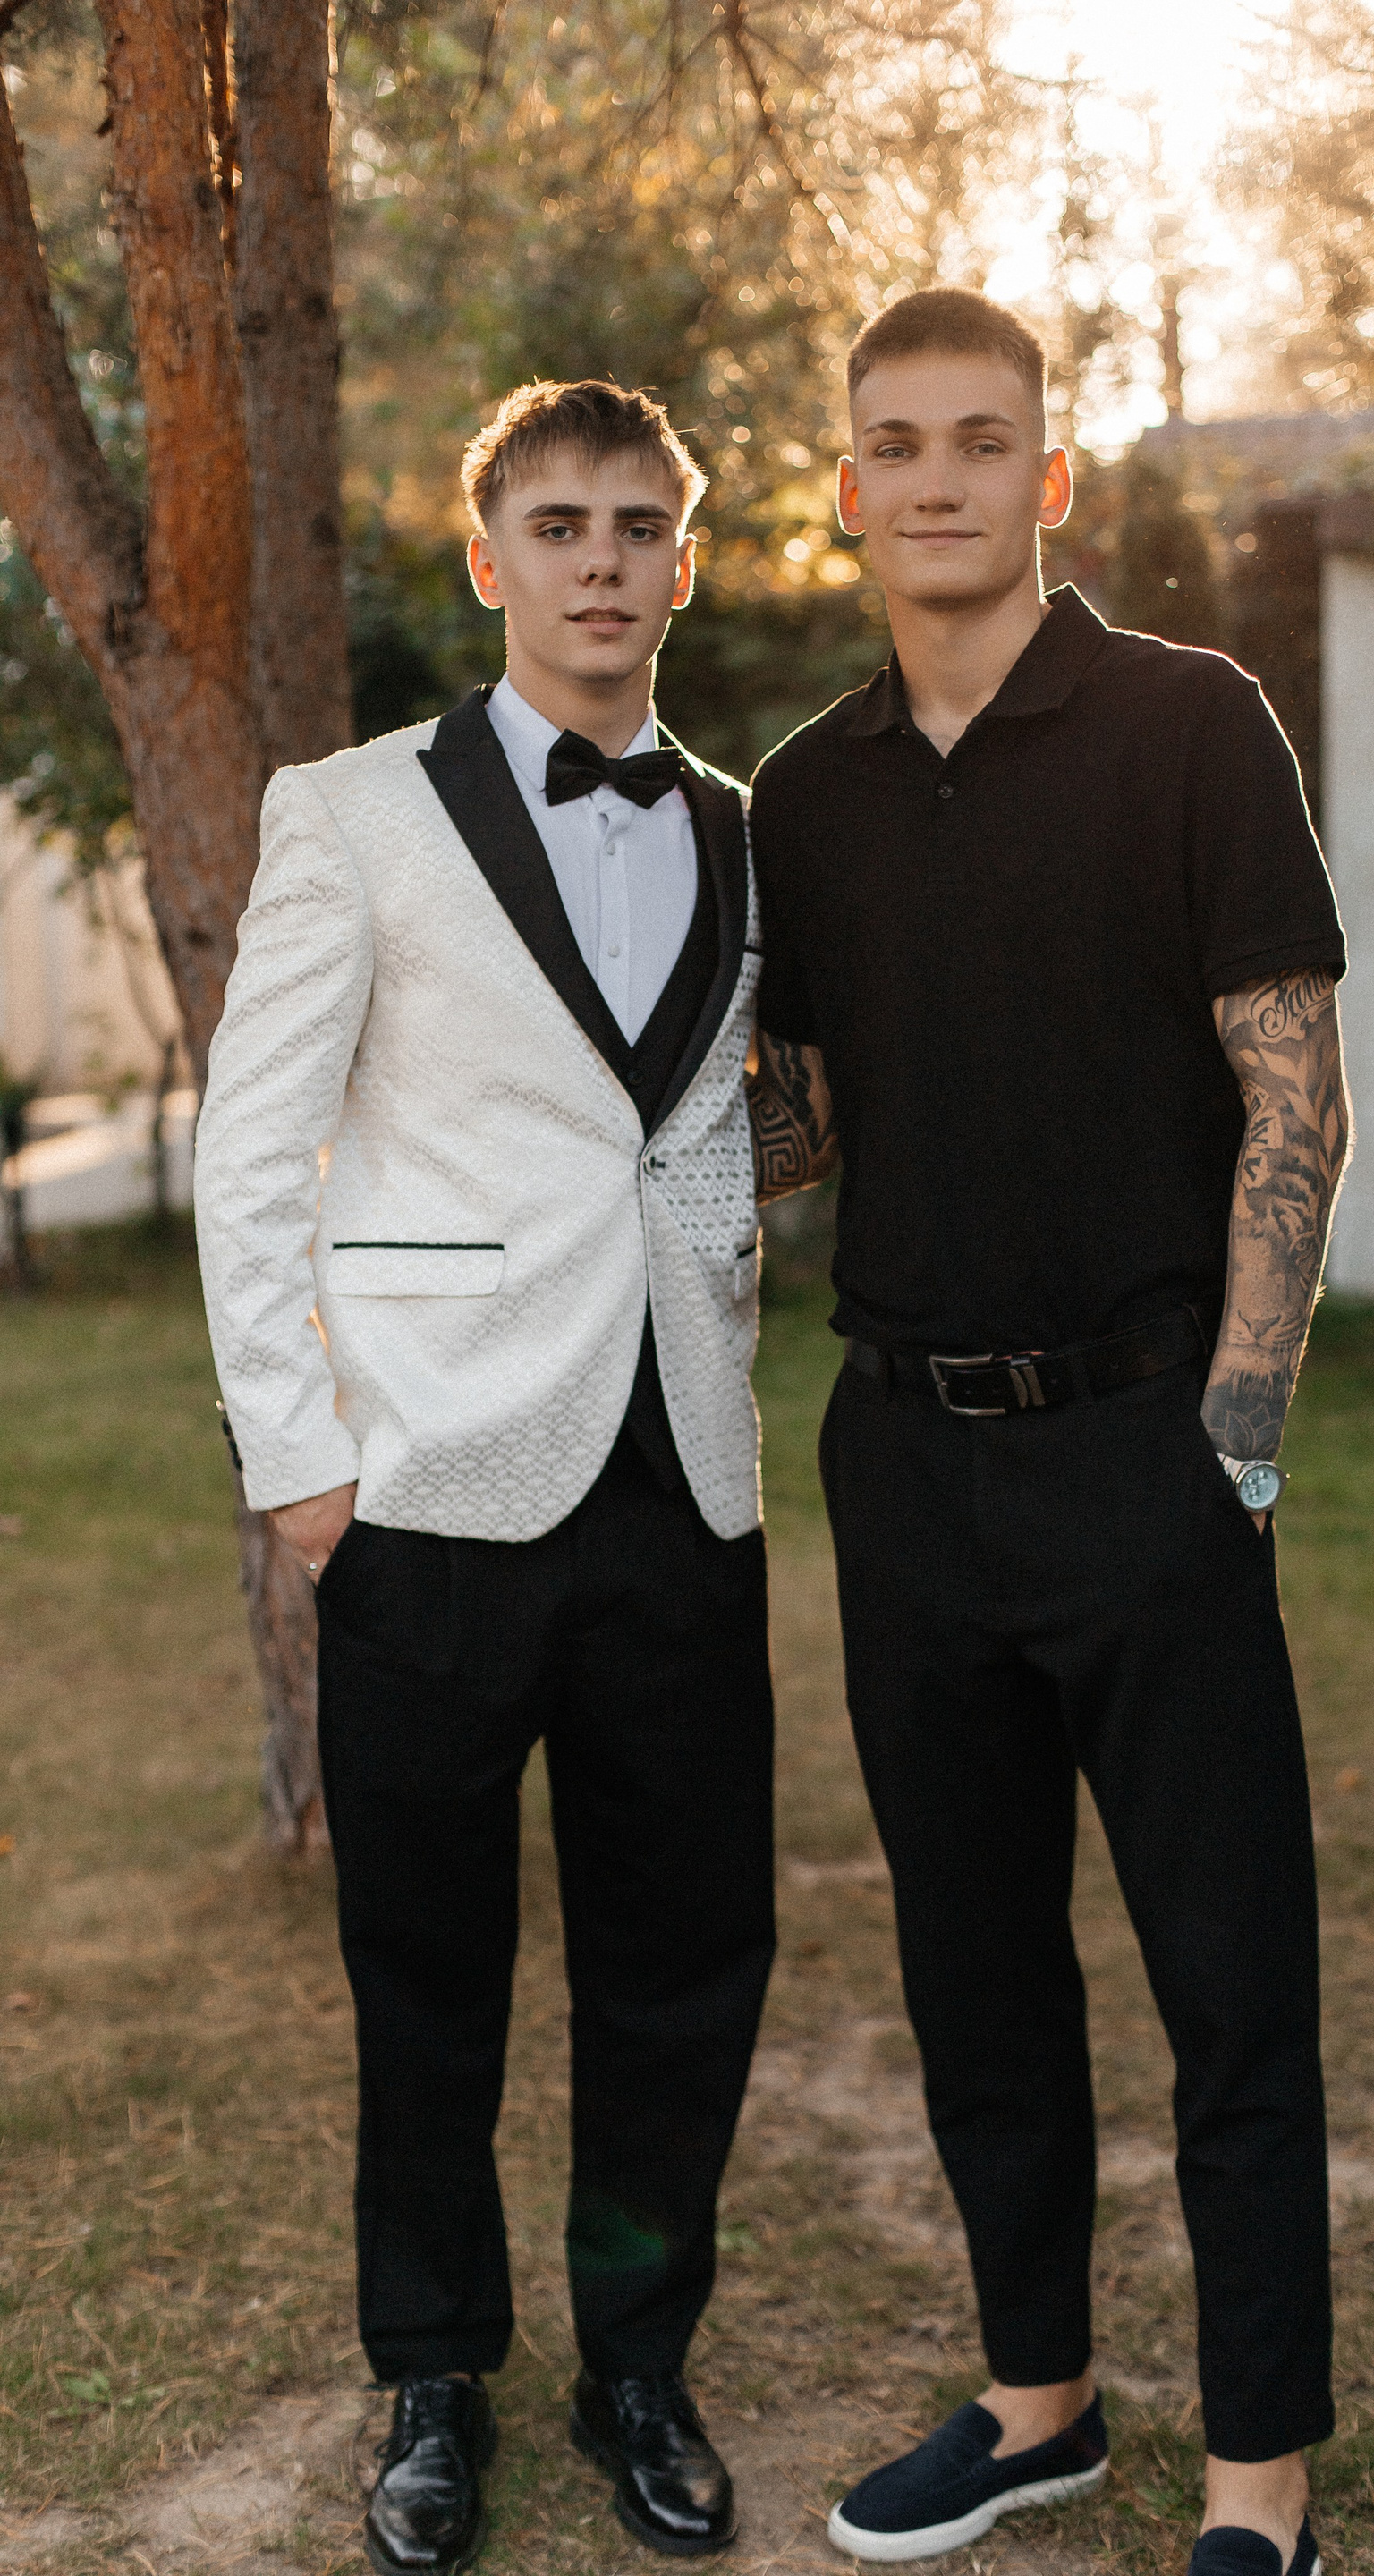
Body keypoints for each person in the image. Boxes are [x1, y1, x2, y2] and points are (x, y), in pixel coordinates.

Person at [745, 288, 1352, 2576]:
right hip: (904, 1462)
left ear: (1050, 479)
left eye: (980, 440)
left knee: (1230, 1982)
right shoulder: (804, 795)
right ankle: (1037, 2406)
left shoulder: (1190, 724)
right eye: (895, 443)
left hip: (1145, 1452)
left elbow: (1296, 1097)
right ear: (845, 490)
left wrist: (1238, 1439)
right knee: (975, 1973)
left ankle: (1259, 2482)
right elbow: (804, 1125)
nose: (938, 480)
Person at [196, 379, 773, 2574]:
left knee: (682, 1964)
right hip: (426, 1485)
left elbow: (705, 1125)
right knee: (427, 1971)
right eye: (559, 524)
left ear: (685, 562)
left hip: (681, 1483)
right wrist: (301, 1466)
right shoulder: (350, 813)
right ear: (488, 556)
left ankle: (642, 2365)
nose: (600, 560)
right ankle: (434, 2375)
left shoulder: (742, 828)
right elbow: (253, 1149)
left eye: (639, 525)